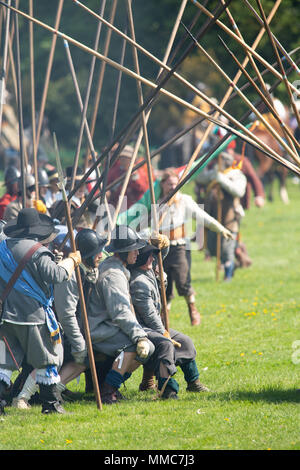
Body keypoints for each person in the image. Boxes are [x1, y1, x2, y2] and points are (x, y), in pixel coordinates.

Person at [0, 208, 81, 415]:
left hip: (6, 315)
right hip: (33, 317)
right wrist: (72, 261)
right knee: (47, 358)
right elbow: (57, 275)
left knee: (4, 362)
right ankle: (51, 405)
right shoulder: (37, 251)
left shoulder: (3, 247)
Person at [130, 238, 209, 399]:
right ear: (141, 259)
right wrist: (163, 333)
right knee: (165, 345)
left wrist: (163, 246)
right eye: (149, 256)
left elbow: (159, 256)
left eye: (153, 256)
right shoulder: (138, 281)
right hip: (143, 329)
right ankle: (168, 389)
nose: (153, 258)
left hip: (154, 326)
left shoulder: (149, 271)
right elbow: (149, 314)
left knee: (185, 341)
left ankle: (193, 382)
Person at [86, 224, 155, 404]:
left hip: (109, 326)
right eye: (133, 249)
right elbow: (120, 312)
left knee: (149, 347)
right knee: (136, 347)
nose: (138, 253)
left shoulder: (117, 267)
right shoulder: (113, 275)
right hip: (99, 329)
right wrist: (139, 336)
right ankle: (108, 391)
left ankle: (111, 385)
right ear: (122, 252)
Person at [158, 168, 234, 324]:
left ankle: (192, 308)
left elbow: (202, 217)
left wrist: (221, 229)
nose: (172, 187)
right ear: (163, 185)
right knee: (164, 284)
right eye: (169, 184)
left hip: (180, 247)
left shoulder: (184, 200)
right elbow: (149, 225)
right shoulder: (158, 203)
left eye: (175, 184)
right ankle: (164, 317)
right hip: (162, 249)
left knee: (183, 279)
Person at [197, 152, 247, 281]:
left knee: (226, 247)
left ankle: (228, 275)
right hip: (213, 215)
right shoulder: (214, 174)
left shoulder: (237, 175)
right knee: (212, 247)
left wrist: (222, 179)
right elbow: (199, 178)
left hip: (230, 217)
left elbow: (239, 191)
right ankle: (232, 262)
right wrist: (212, 173)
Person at [106, 145, 152, 211]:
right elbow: (108, 185)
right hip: (117, 206)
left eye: (125, 158)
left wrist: (134, 177)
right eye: (121, 158)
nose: (122, 160)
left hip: (134, 207)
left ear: (131, 159)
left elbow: (143, 189)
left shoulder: (139, 172)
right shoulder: (116, 171)